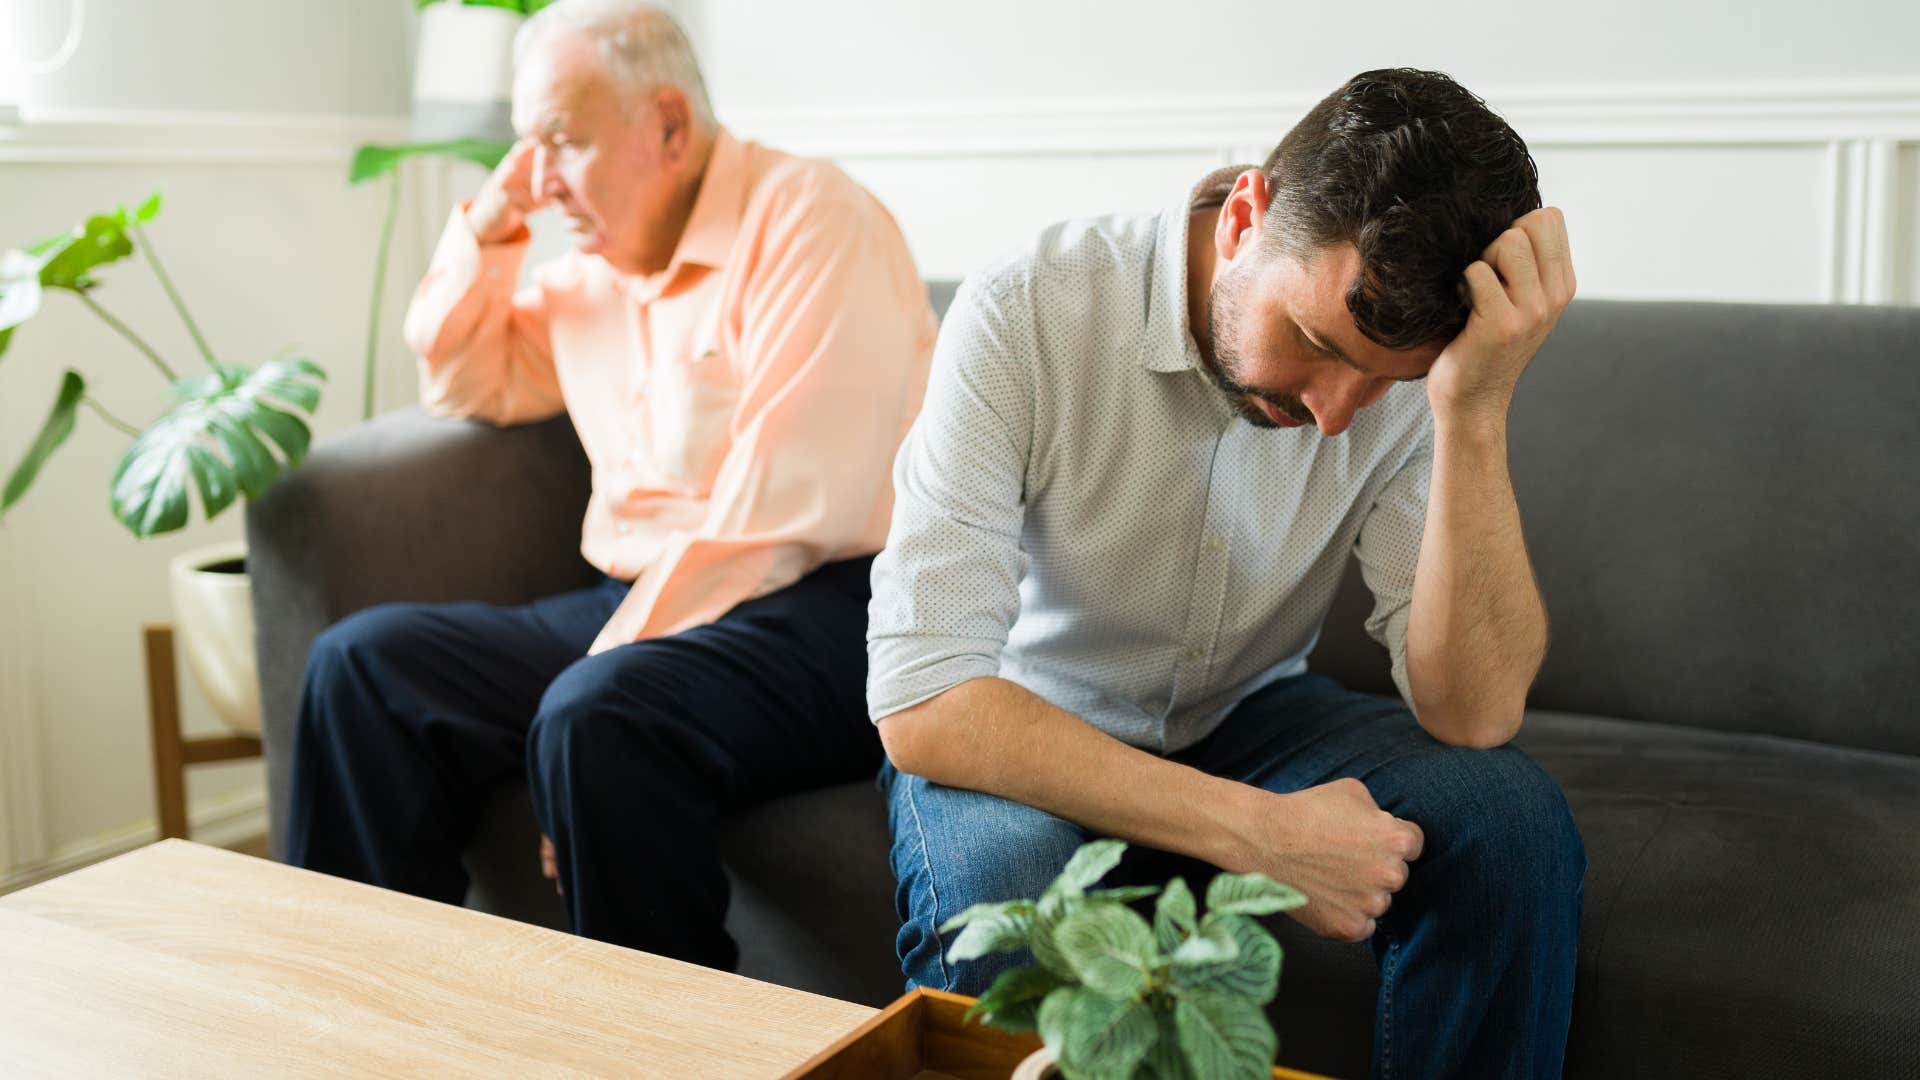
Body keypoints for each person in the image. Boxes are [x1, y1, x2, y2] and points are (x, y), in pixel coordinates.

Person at [867, 68, 1585, 1078]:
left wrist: (1471, 408)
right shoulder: (1029, 307)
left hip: (1247, 709)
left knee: (1511, 823)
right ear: (1247, 214)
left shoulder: (1405, 391)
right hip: (1027, 716)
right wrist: (1259, 835)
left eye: (1388, 380)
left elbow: (1475, 713)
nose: (1338, 413)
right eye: (1313, 344)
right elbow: (927, 699)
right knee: (1014, 903)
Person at [285, 0, 936, 974]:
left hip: (837, 608)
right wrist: (498, 220)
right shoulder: (591, 270)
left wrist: (607, 660)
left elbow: (785, 516)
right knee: (363, 668)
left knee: (599, 713)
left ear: (669, 125)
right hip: (650, 606)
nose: (544, 181)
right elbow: (462, 377)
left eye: (563, 141)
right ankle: (366, 1008)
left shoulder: (810, 216)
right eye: (526, 147)